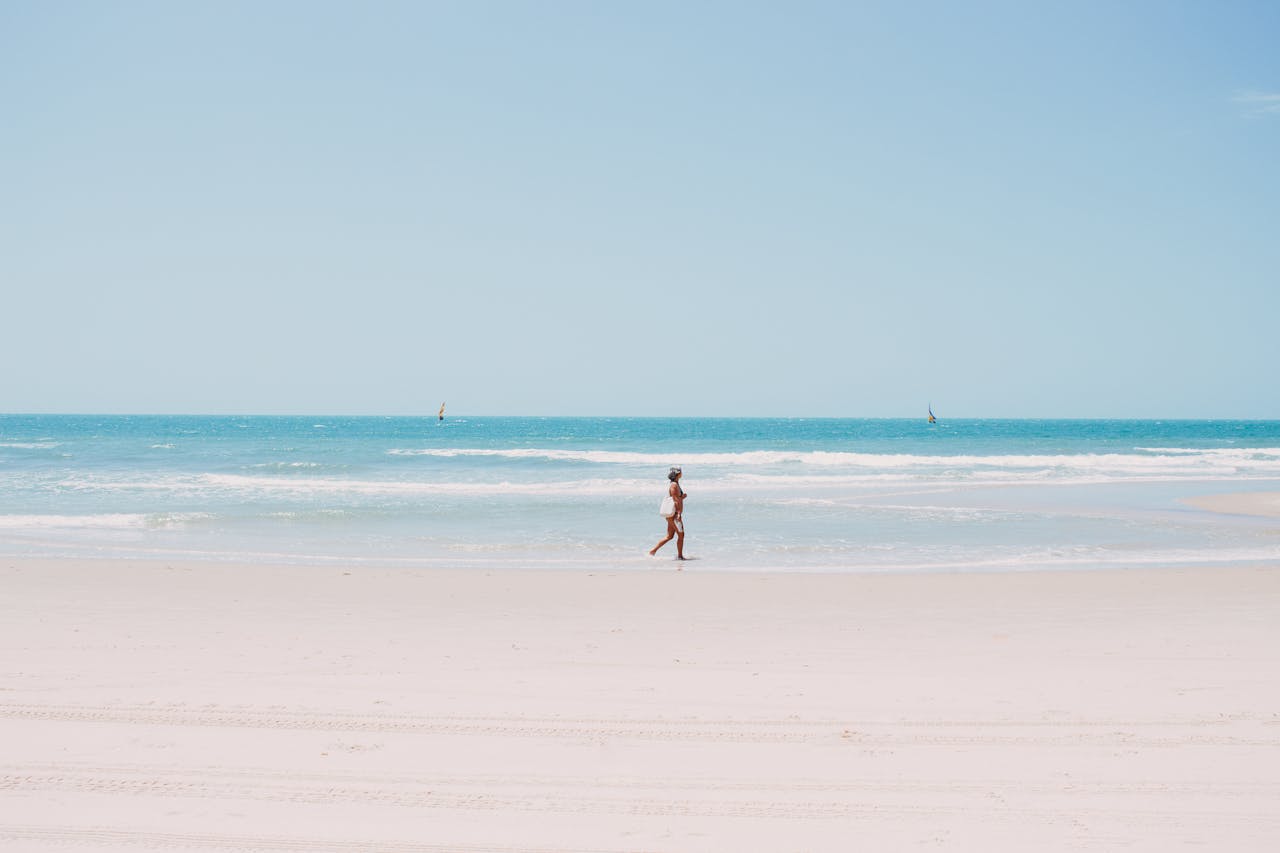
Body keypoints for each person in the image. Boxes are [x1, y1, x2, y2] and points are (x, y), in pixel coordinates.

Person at [649, 466, 687, 561]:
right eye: (681, 472)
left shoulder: (675, 484)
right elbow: (675, 500)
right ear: (678, 474)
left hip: (673, 515)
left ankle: (653, 551)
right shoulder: (674, 485)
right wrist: (678, 513)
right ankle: (680, 556)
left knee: (670, 536)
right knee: (681, 535)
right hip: (674, 515)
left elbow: (677, 498)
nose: (682, 473)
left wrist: (682, 497)